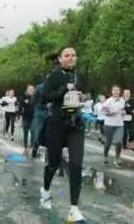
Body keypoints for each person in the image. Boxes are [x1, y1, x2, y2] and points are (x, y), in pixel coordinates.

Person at [39, 47, 87, 223]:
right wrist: (62, 90)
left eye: (74, 55)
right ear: (60, 59)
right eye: (67, 55)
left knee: (76, 165)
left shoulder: (79, 77)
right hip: (57, 124)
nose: (71, 57)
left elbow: (82, 97)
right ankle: (45, 190)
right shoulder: (54, 76)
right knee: (53, 163)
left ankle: (74, 209)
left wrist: (82, 98)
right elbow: (43, 99)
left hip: (75, 124)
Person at [102, 86, 125, 168]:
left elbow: (123, 110)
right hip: (109, 125)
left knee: (119, 141)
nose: (116, 92)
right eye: (114, 90)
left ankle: (117, 158)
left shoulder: (122, 100)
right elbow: (104, 111)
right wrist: (112, 112)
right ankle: (105, 156)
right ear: (112, 92)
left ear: (120, 92)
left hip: (119, 125)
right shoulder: (108, 101)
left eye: (118, 90)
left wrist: (123, 112)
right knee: (108, 142)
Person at [31, 82, 48, 159]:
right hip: (43, 110)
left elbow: (33, 99)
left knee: (38, 131)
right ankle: (36, 147)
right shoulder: (40, 86)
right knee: (45, 131)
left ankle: (35, 147)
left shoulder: (39, 86)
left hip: (40, 109)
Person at [19, 85, 36, 156]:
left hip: (34, 118)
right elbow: (21, 105)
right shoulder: (24, 97)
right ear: (27, 90)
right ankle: (25, 147)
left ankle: (32, 147)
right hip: (25, 117)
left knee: (33, 133)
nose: (31, 90)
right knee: (25, 133)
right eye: (30, 89)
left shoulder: (36, 97)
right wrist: (19, 115)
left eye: (32, 89)